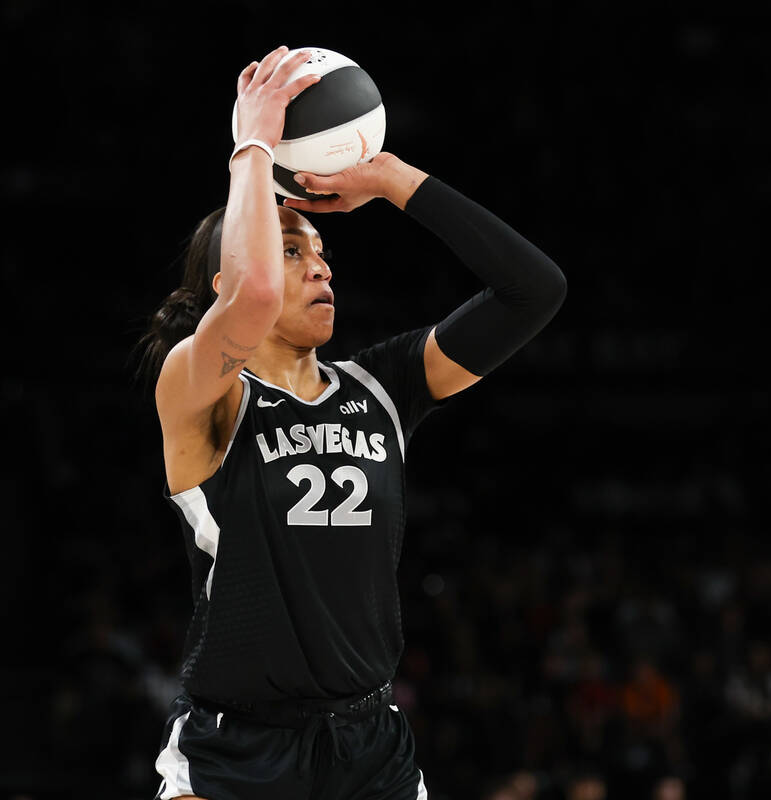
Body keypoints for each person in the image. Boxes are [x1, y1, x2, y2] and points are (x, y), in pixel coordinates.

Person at [135, 46, 566, 799]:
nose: (321, 267)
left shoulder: (384, 385)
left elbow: (534, 290)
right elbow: (257, 293)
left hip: (368, 746)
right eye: (296, 249)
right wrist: (254, 146)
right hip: (236, 749)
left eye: (324, 252)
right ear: (221, 282)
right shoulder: (199, 388)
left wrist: (392, 179)